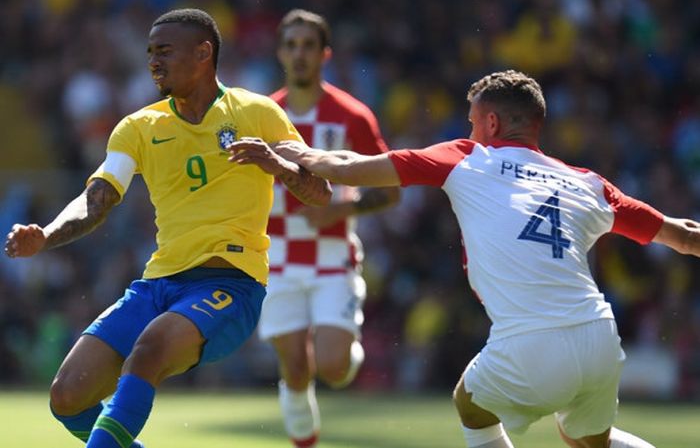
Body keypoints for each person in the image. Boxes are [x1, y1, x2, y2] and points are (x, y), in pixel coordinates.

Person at [230, 70, 700, 448]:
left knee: (470, 404)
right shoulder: (588, 182)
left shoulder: (466, 157)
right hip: (599, 334)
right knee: (583, 439)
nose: (468, 130)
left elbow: (353, 167)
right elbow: (682, 236)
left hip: (532, 340)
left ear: (491, 124)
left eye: (473, 121)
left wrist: (296, 153)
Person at [4, 8, 331, 448]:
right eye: (150, 53)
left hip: (231, 286)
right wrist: (46, 234)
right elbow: (96, 200)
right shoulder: (137, 127)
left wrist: (277, 165)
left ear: (203, 53)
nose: (153, 61)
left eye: (165, 51)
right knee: (67, 397)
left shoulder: (257, 112)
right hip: (158, 286)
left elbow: (321, 192)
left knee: (149, 350)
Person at [258, 9, 400, 448]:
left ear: (324, 54)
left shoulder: (352, 116)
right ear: (281, 52)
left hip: (332, 260)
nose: (299, 54)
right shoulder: (263, 115)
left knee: (334, 368)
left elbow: (391, 190)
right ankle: (305, 440)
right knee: (296, 370)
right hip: (275, 260)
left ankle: (343, 354)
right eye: (292, 45)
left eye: (308, 46)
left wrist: (337, 212)